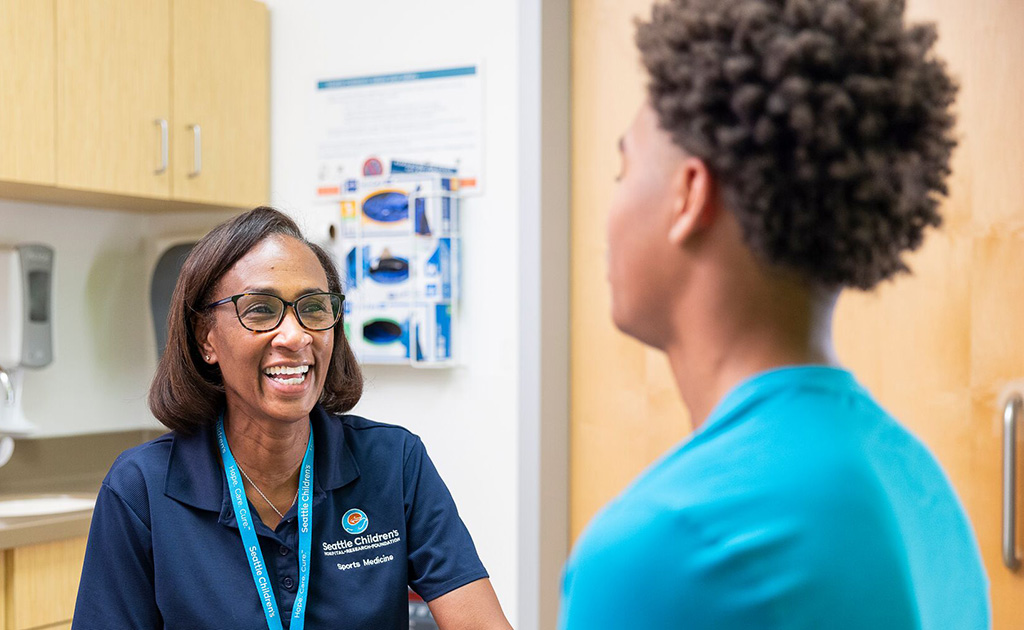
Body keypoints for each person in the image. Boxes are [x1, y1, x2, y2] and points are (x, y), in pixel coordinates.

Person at [561, 0, 988, 628]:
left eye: (623, 169)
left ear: (689, 195)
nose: (610, 210)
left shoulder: (659, 546)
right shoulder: (922, 488)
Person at [73, 207, 511, 630]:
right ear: (206, 338)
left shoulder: (394, 463)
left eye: (314, 308)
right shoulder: (142, 489)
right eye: (261, 309)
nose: (296, 335)